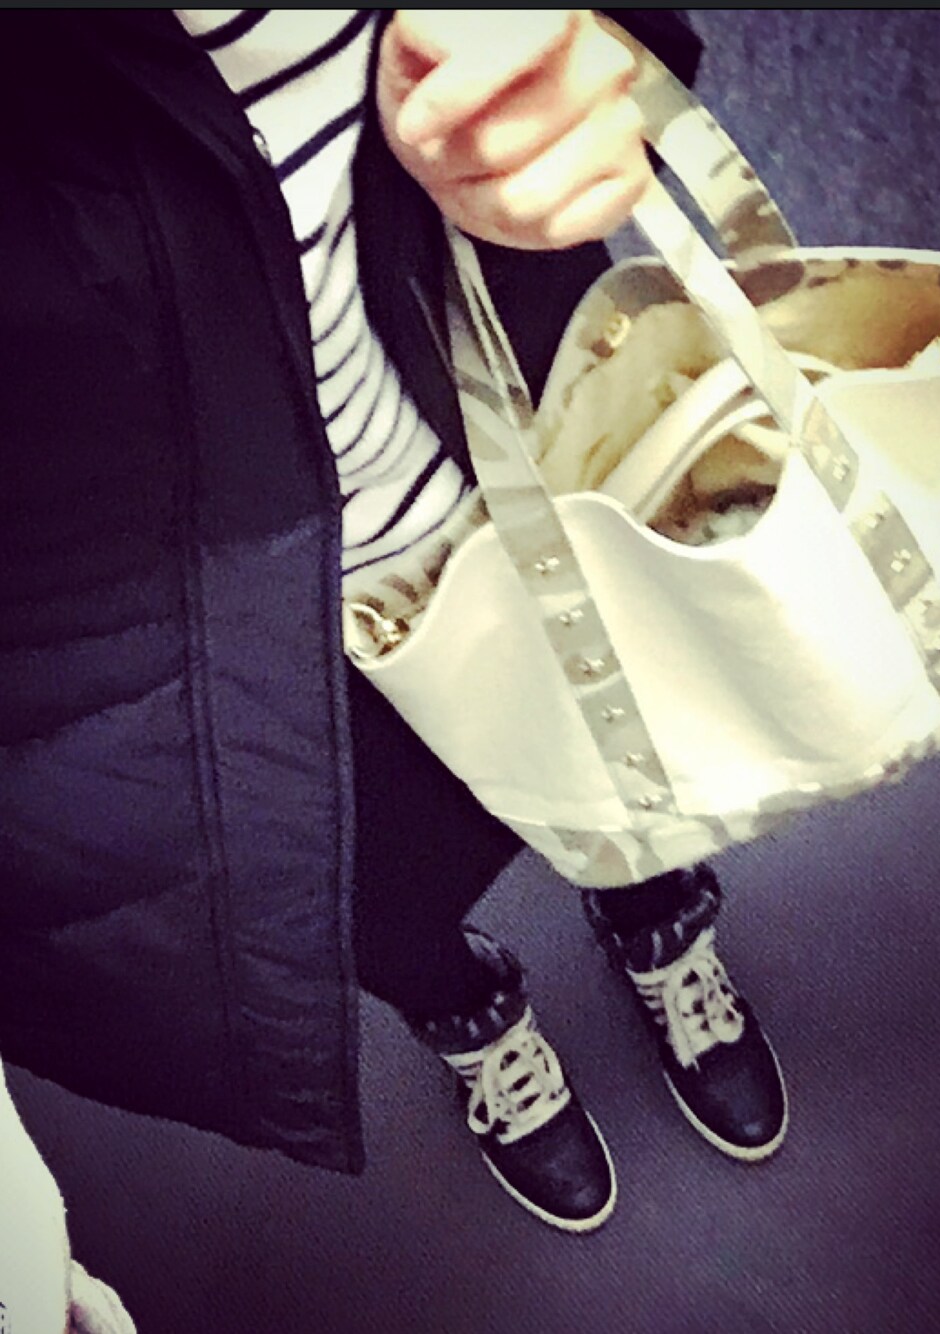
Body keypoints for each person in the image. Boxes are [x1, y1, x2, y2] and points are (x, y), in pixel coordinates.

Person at [0, 16, 787, 1307]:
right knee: (369, 878)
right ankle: (472, 1014)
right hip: (206, 613)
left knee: (621, 749)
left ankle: (656, 916)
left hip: (495, 403)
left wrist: (577, 64)